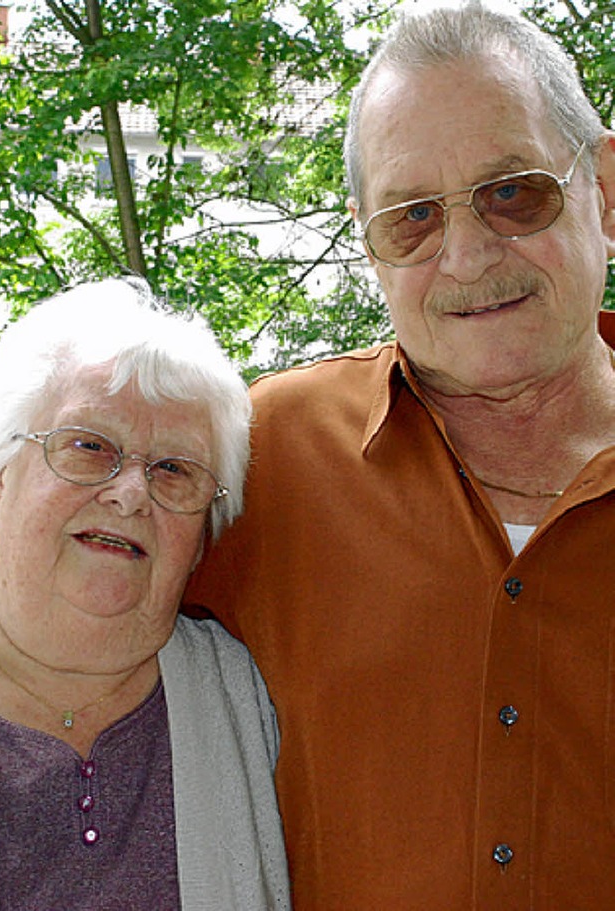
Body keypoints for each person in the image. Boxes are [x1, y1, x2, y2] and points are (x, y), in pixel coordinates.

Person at [185, 2, 615, 908]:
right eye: (411, 217)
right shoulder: (263, 460)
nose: (465, 254)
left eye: (513, 192)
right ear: (367, 244)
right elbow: (45, 647)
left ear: (605, 190)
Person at [0, 278, 291, 911]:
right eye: (89, 448)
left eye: (174, 470)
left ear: (203, 536)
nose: (130, 494)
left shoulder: (260, 697)